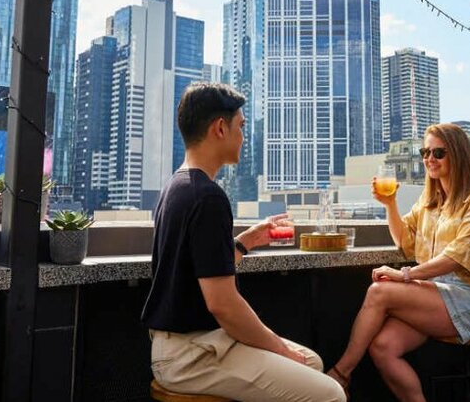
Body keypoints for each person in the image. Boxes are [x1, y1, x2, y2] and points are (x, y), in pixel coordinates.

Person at [141, 82, 345, 402]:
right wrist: (280, 350)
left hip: (183, 344)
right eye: (241, 126)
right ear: (220, 128)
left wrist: (244, 242)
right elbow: (223, 304)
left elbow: (196, 275)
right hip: (192, 356)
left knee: (313, 363)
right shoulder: (208, 197)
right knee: (331, 395)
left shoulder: (177, 188)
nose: (244, 136)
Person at [326, 123, 470, 402]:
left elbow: (457, 257)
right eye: (425, 152)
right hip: (434, 294)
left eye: (438, 153)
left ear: (458, 155)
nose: (429, 159)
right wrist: (390, 204)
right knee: (382, 346)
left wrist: (405, 275)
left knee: (380, 291)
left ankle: (340, 375)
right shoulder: (430, 201)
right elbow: (404, 241)